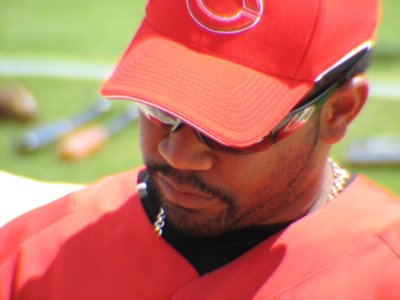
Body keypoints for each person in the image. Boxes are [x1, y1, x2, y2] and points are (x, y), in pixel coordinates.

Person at [1, 0, 400, 299]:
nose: (177, 153)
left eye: (228, 128)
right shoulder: (35, 257)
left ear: (338, 112)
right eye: (160, 108)